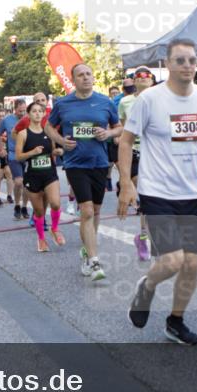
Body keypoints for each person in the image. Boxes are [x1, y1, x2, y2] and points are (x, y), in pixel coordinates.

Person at [118, 38, 197, 345]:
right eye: (180, 60)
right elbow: (126, 140)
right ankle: (147, 286)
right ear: (168, 65)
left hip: (190, 194)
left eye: (192, 61)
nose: (187, 66)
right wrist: (126, 184)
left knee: (193, 263)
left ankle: (175, 321)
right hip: (156, 190)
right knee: (171, 260)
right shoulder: (150, 100)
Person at [46, 63, 121, 281]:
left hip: (99, 162)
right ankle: (94, 261)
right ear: (74, 79)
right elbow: (48, 127)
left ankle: (88, 250)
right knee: (86, 210)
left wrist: (107, 133)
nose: (86, 78)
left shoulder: (105, 102)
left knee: (95, 212)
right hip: (75, 163)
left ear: (93, 77)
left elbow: (119, 127)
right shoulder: (63, 103)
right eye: (81, 75)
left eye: (89, 74)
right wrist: (60, 141)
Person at [16, 101, 66, 251]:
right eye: (34, 111)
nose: (37, 113)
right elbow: (18, 157)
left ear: (44, 114)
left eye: (40, 111)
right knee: (39, 211)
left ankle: (55, 229)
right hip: (33, 176)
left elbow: (52, 152)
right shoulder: (23, 134)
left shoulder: (48, 132)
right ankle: (41, 239)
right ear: (29, 114)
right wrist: (32, 152)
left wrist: (57, 152)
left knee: (56, 203)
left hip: (49, 173)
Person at [117, 66, 155, 260]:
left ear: (152, 79)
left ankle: (143, 236)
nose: (143, 78)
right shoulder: (125, 101)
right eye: (138, 76)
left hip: (154, 152)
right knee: (144, 189)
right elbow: (122, 126)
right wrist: (122, 138)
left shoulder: (160, 99)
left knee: (155, 197)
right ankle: (145, 237)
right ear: (133, 81)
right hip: (135, 151)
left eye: (147, 75)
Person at [0, 99, 30, 221]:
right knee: (18, 182)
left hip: (28, 154)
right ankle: (17, 204)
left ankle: (24, 206)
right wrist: (1, 148)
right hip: (13, 155)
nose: (22, 113)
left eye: (24, 110)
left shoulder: (29, 119)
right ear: (14, 109)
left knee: (27, 184)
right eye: (20, 110)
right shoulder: (7, 120)